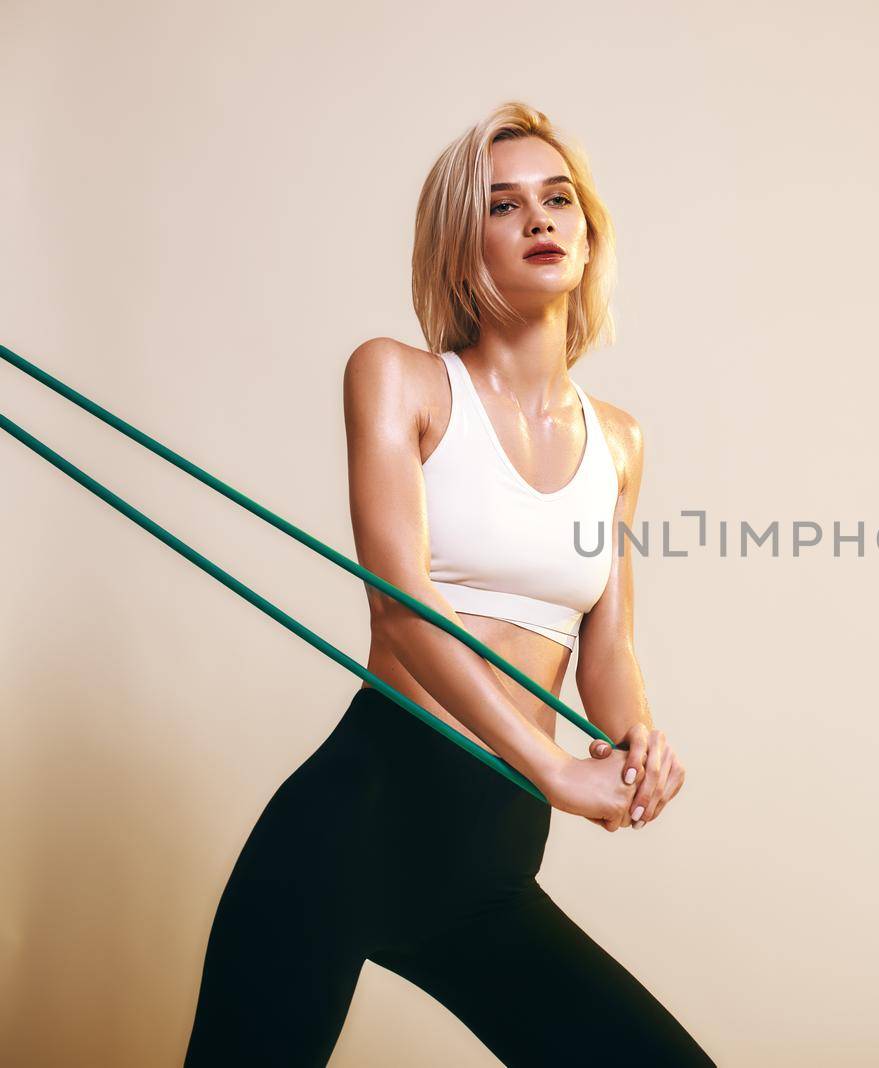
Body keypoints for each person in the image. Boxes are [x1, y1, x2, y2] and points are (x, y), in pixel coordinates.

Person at [182, 102, 715, 1066]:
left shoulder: (621, 442)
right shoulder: (402, 381)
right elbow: (400, 604)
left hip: (486, 864)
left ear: (589, 237)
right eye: (504, 207)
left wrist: (634, 740)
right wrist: (552, 768)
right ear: (464, 248)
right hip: (355, 830)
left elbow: (608, 648)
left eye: (558, 200)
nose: (540, 220)